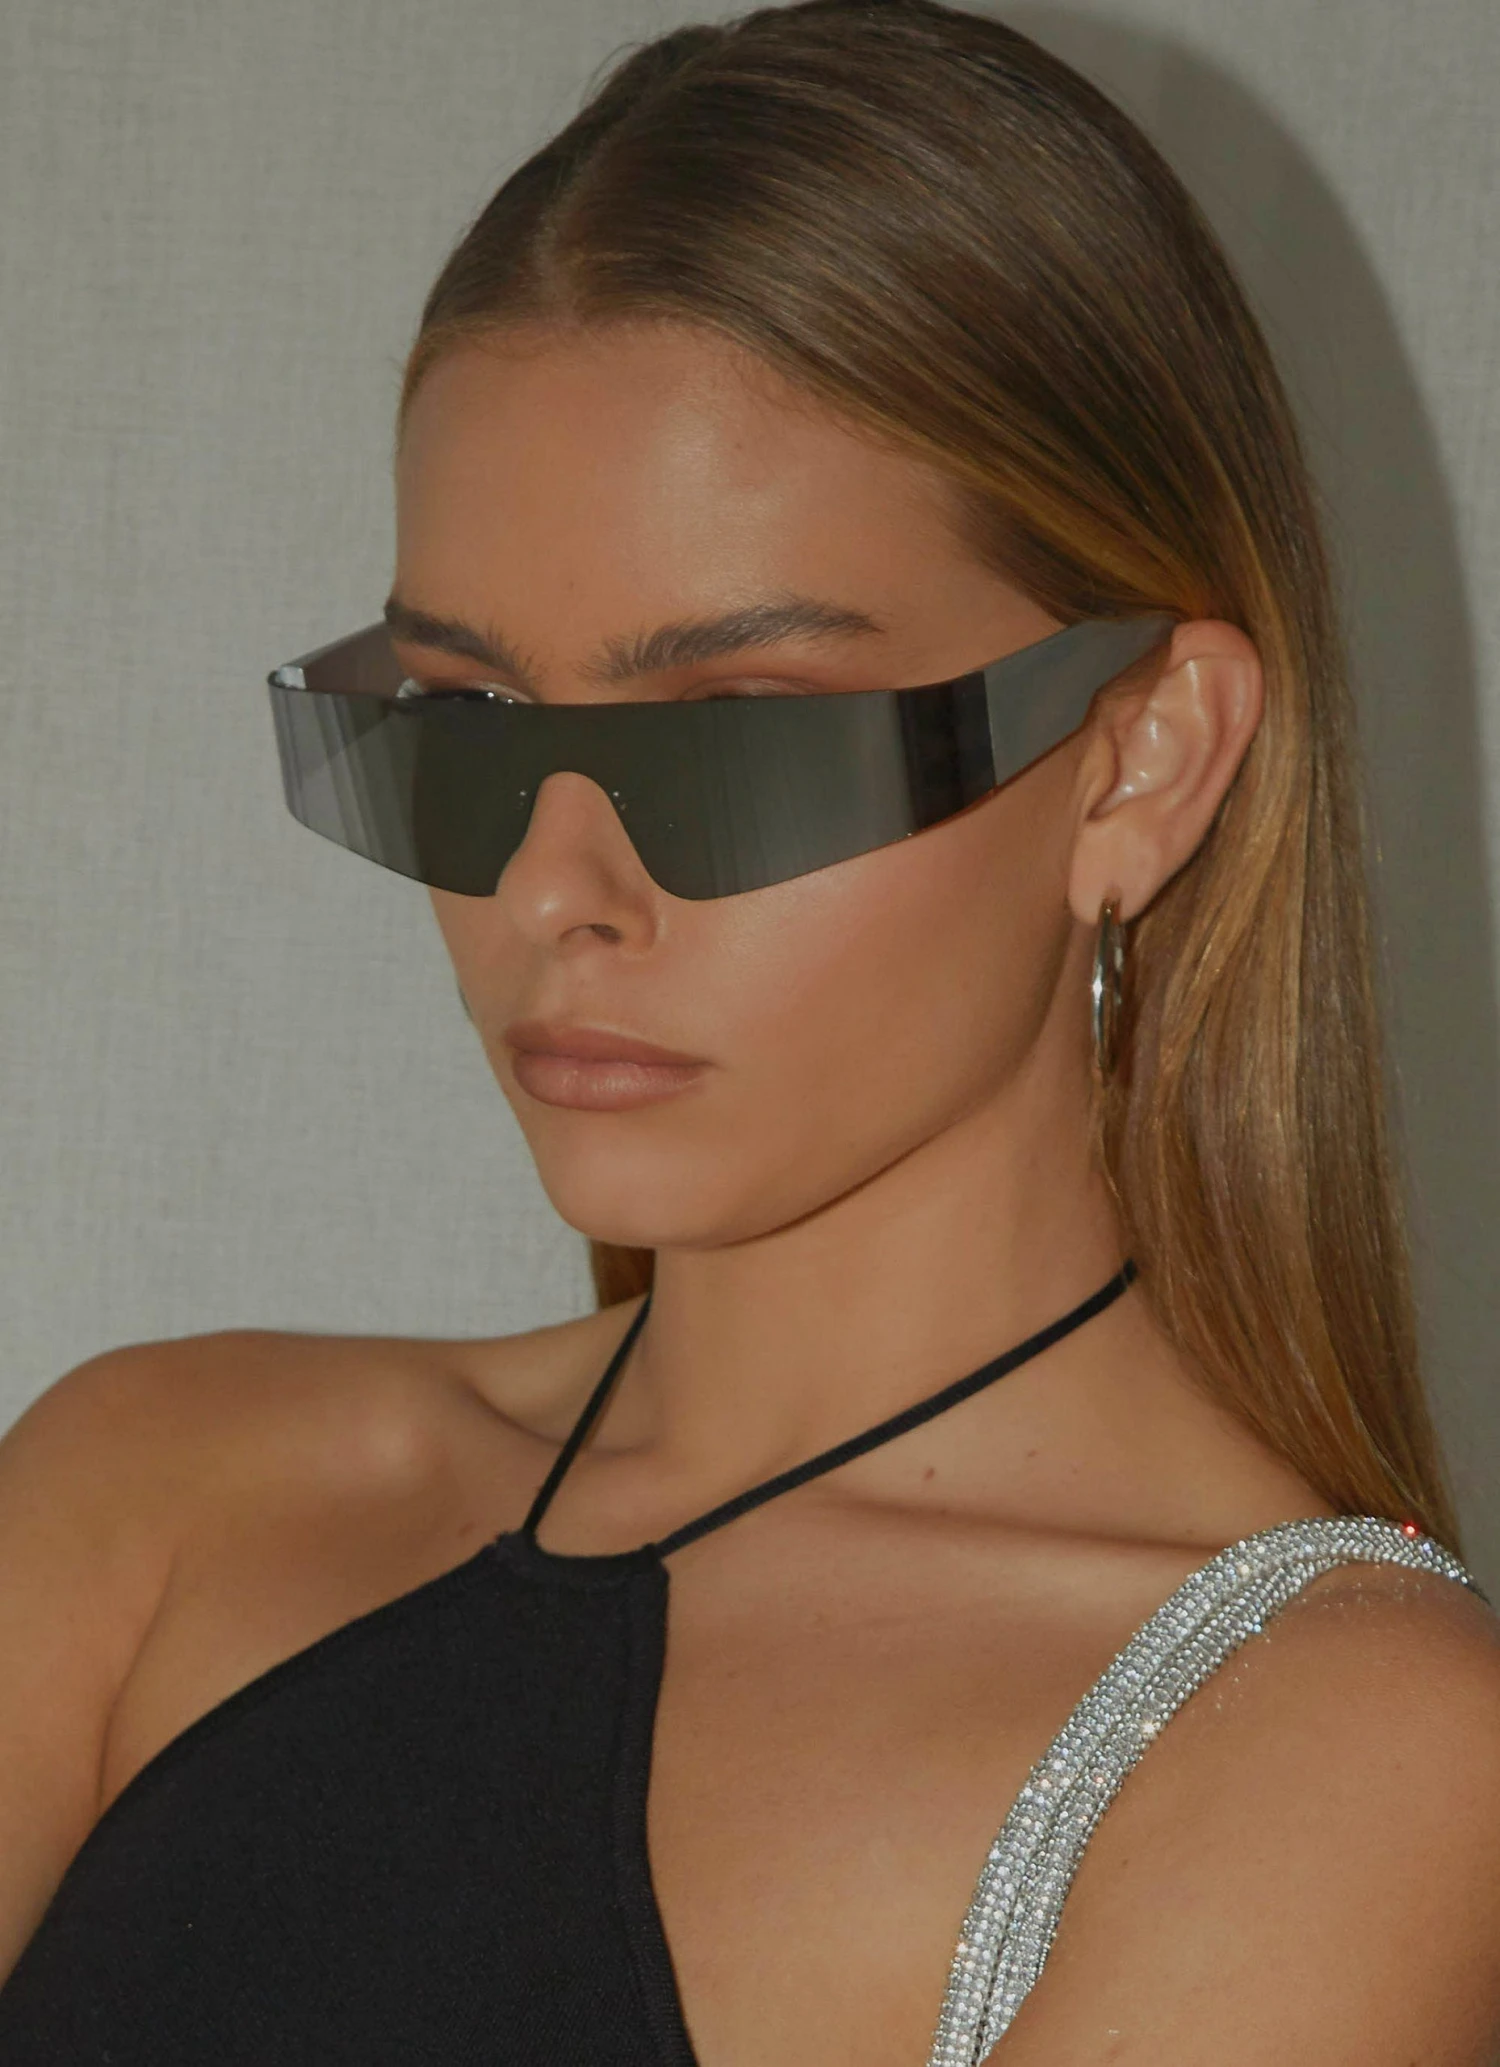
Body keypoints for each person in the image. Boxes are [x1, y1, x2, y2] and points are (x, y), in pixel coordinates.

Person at [0, 2, 1497, 2060]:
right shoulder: (152, 1498)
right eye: (463, 721)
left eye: (736, 738)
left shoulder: (1334, 1752)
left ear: (1140, 759)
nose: (555, 888)